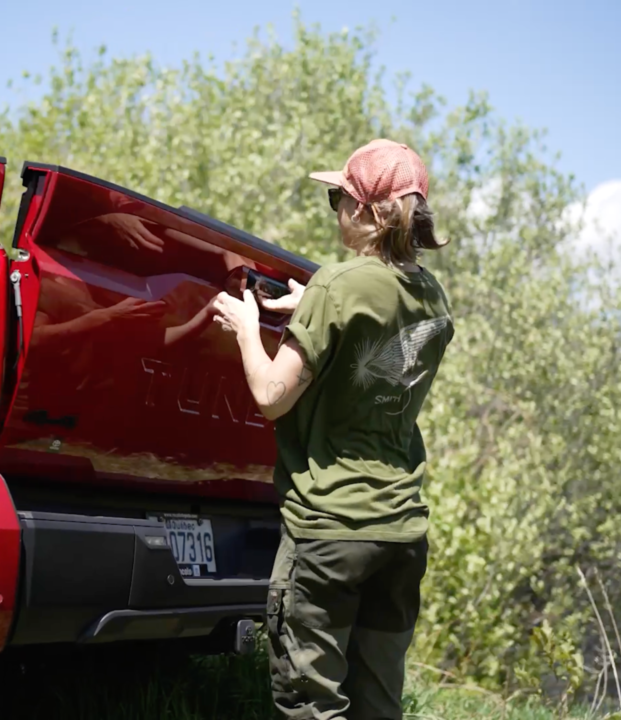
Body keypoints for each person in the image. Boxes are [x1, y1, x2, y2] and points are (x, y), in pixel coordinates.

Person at [212, 139, 454, 720]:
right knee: (378, 704)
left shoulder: (336, 285)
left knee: (311, 703)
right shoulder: (433, 296)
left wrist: (245, 326)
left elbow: (272, 397)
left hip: (331, 530)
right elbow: (373, 334)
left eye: (337, 198)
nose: (336, 209)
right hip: (400, 534)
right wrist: (312, 306)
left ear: (366, 212)